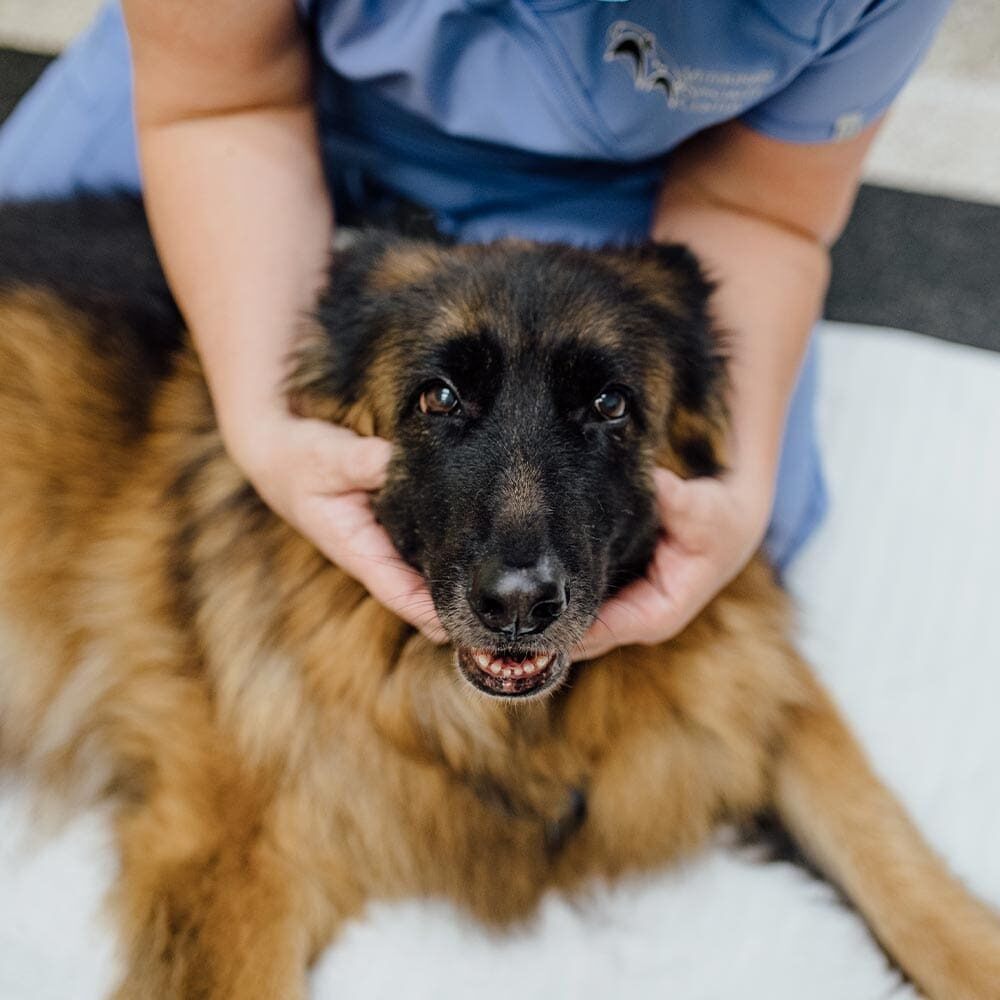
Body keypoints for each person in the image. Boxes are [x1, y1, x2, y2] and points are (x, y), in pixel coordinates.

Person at [0, 0, 949, 658]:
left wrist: (742, 495)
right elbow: (219, 103)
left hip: (615, 178)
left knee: (759, 514)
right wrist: (261, 422)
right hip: (248, 88)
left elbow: (761, 211)